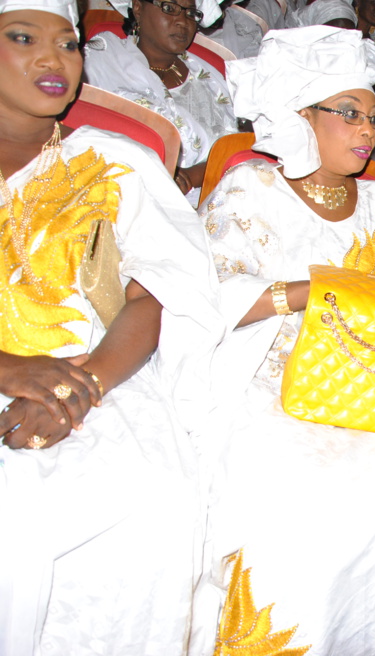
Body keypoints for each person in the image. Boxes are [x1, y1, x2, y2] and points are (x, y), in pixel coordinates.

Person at [191, 27, 375, 656]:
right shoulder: (251, 189)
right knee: (300, 506)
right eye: (349, 113)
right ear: (300, 116)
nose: (369, 130)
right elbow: (210, 297)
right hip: (268, 389)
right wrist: (313, 292)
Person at [0, 0, 223, 652]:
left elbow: (160, 292)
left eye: (68, 43)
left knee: (152, 505)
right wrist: (10, 369)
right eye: (23, 37)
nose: (52, 58)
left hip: (96, 371)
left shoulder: (114, 160)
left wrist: (83, 387)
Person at [84, 0, 238, 202]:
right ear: (138, 8)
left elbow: (240, 145)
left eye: (191, 14)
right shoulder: (103, 62)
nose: (182, 21)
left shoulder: (209, 76)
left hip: (224, 194)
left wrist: (192, 176)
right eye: (169, 8)